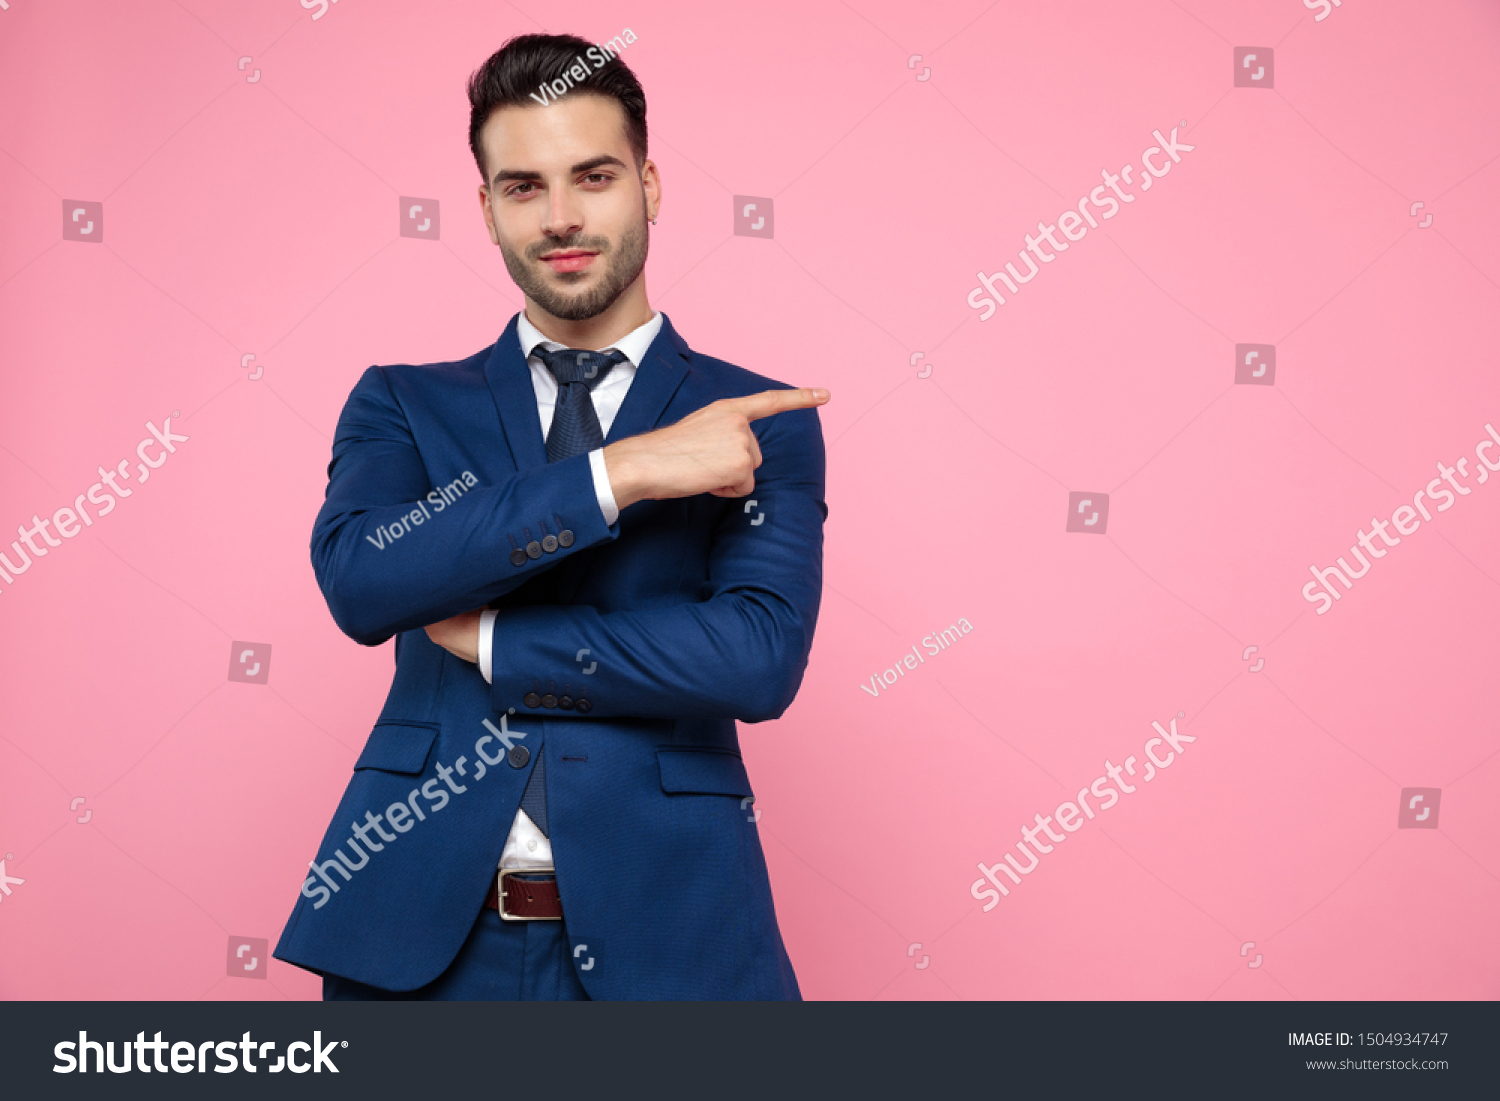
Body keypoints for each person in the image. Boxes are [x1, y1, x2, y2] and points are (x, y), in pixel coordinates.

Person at [272, 32, 830, 1000]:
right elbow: (366, 582)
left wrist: (490, 638)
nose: (563, 218)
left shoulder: (753, 422)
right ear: (486, 211)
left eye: (596, 176)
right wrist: (624, 472)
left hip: (674, 938)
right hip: (419, 943)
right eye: (524, 187)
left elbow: (754, 657)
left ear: (651, 185)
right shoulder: (403, 401)